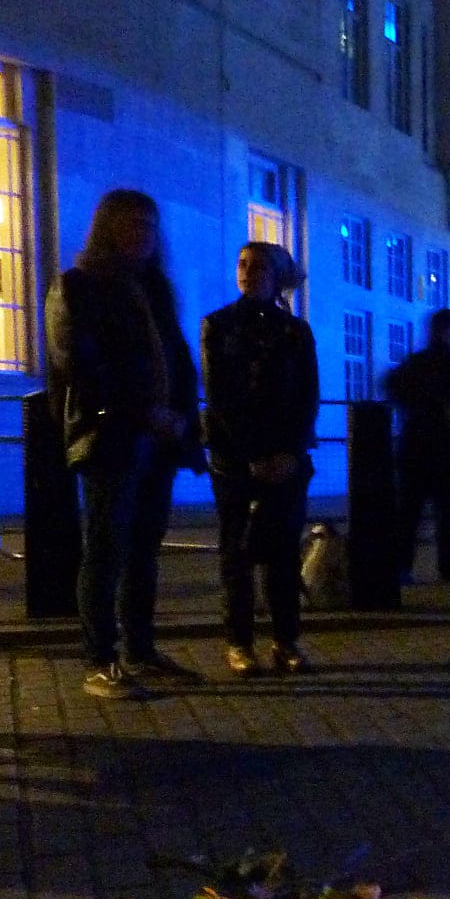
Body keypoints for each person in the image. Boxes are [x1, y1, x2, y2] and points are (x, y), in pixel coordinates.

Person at [45, 189, 206, 698]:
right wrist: (147, 413)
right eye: (130, 224)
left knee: (143, 549)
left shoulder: (155, 289)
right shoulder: (80, 286)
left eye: (149, 226)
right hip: (111, 436)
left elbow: (177, 362)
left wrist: (182, 421)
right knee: (105, 549)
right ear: (106, 229)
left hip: (158, 440)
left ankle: (141, 648)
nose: (141, 235)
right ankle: (100, 659)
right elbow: (83, 366)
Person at [200, 242, 320, 677]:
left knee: (283, 551)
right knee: (237, 550)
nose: (248, 273)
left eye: (258, 267)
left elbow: (307, 396)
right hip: (235, 460)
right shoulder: (218, 325)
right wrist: (251, 455)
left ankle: (286, 640)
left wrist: (289, 452)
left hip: (286, 458)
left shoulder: (295, 332)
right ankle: (239, 642)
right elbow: (219, 398)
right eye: (242, 265)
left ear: (276, 276)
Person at [385, 309, 450, 583]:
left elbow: (392, 384)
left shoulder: (416, 362)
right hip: (444, 447)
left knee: (409, 513)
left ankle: (400, 566)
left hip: (414, 446)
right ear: (449, 331)